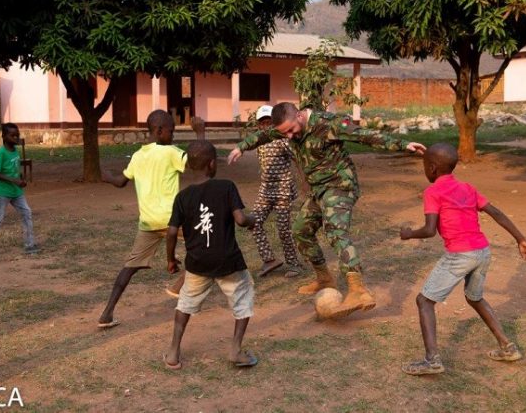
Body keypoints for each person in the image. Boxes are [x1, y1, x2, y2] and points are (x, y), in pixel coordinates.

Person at [228, 102, 425, 318]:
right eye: (285, 134)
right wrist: (241, 147)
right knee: (301, 230)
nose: (290, 137)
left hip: (340, 185)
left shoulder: (329, 124)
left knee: (335, 231)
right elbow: (265, 135)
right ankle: (324, 278)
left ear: (300, 116)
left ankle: (358, 290)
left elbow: (365, 135)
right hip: (318, 190)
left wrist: (403, 145)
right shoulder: (286, 128)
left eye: (291, 131)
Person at [400, 142, 526, 375]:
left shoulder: (433, 192)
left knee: (424, 301)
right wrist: (520, 239)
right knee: (475, 298)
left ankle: (432, 360)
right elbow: (496, 213)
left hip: (460, 254)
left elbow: (430, 229)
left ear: (431, 168)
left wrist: (409, 233)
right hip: (482, 251)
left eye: (425, 165)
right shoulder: (467, 188)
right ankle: (507, 347)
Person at [97, 111, 204, 328]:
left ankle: (106, 313)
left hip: (147, 223)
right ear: (159, 131)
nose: (173, 136)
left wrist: (107, 176)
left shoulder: (137, 155)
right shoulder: (170, 152)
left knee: (129, 267)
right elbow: (199, 161)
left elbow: (120, 181)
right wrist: (200, 133)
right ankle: (178, 285)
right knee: (205, 241)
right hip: (172, 220)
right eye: (171, 131)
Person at [164, 140, 257, 370]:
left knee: (185, 303)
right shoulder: (226, 187)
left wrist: (170, 259)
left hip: (197, 263)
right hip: (228, 261)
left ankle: (173, 352)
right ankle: (235, 350)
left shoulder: (182, 197)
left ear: (187, 166)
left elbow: (172, 231)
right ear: (213, 164)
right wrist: (253, 220)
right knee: (242, 299)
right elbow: (241, 220)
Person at [248, 105, 302, 278]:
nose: (266, 126)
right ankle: (269, 260)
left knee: (283, 228)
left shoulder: (283, 141)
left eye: (269, 122)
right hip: (266, 189)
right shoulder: (259, 143)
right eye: (262, 123)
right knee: (253, 222)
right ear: (258, 125)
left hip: (283, 189)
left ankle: (294, 264)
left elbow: (298, 157)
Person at [0, 123, 38, 259]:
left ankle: (29, 245)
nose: (16, 138)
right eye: (12, 135)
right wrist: (15, 181)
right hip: (3, 192)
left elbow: (14, 169)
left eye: (17, 135)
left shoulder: (15, 151)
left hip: (16, 191)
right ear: (4, 137)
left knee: (26, 213)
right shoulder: (1, 152)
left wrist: (21, 178)